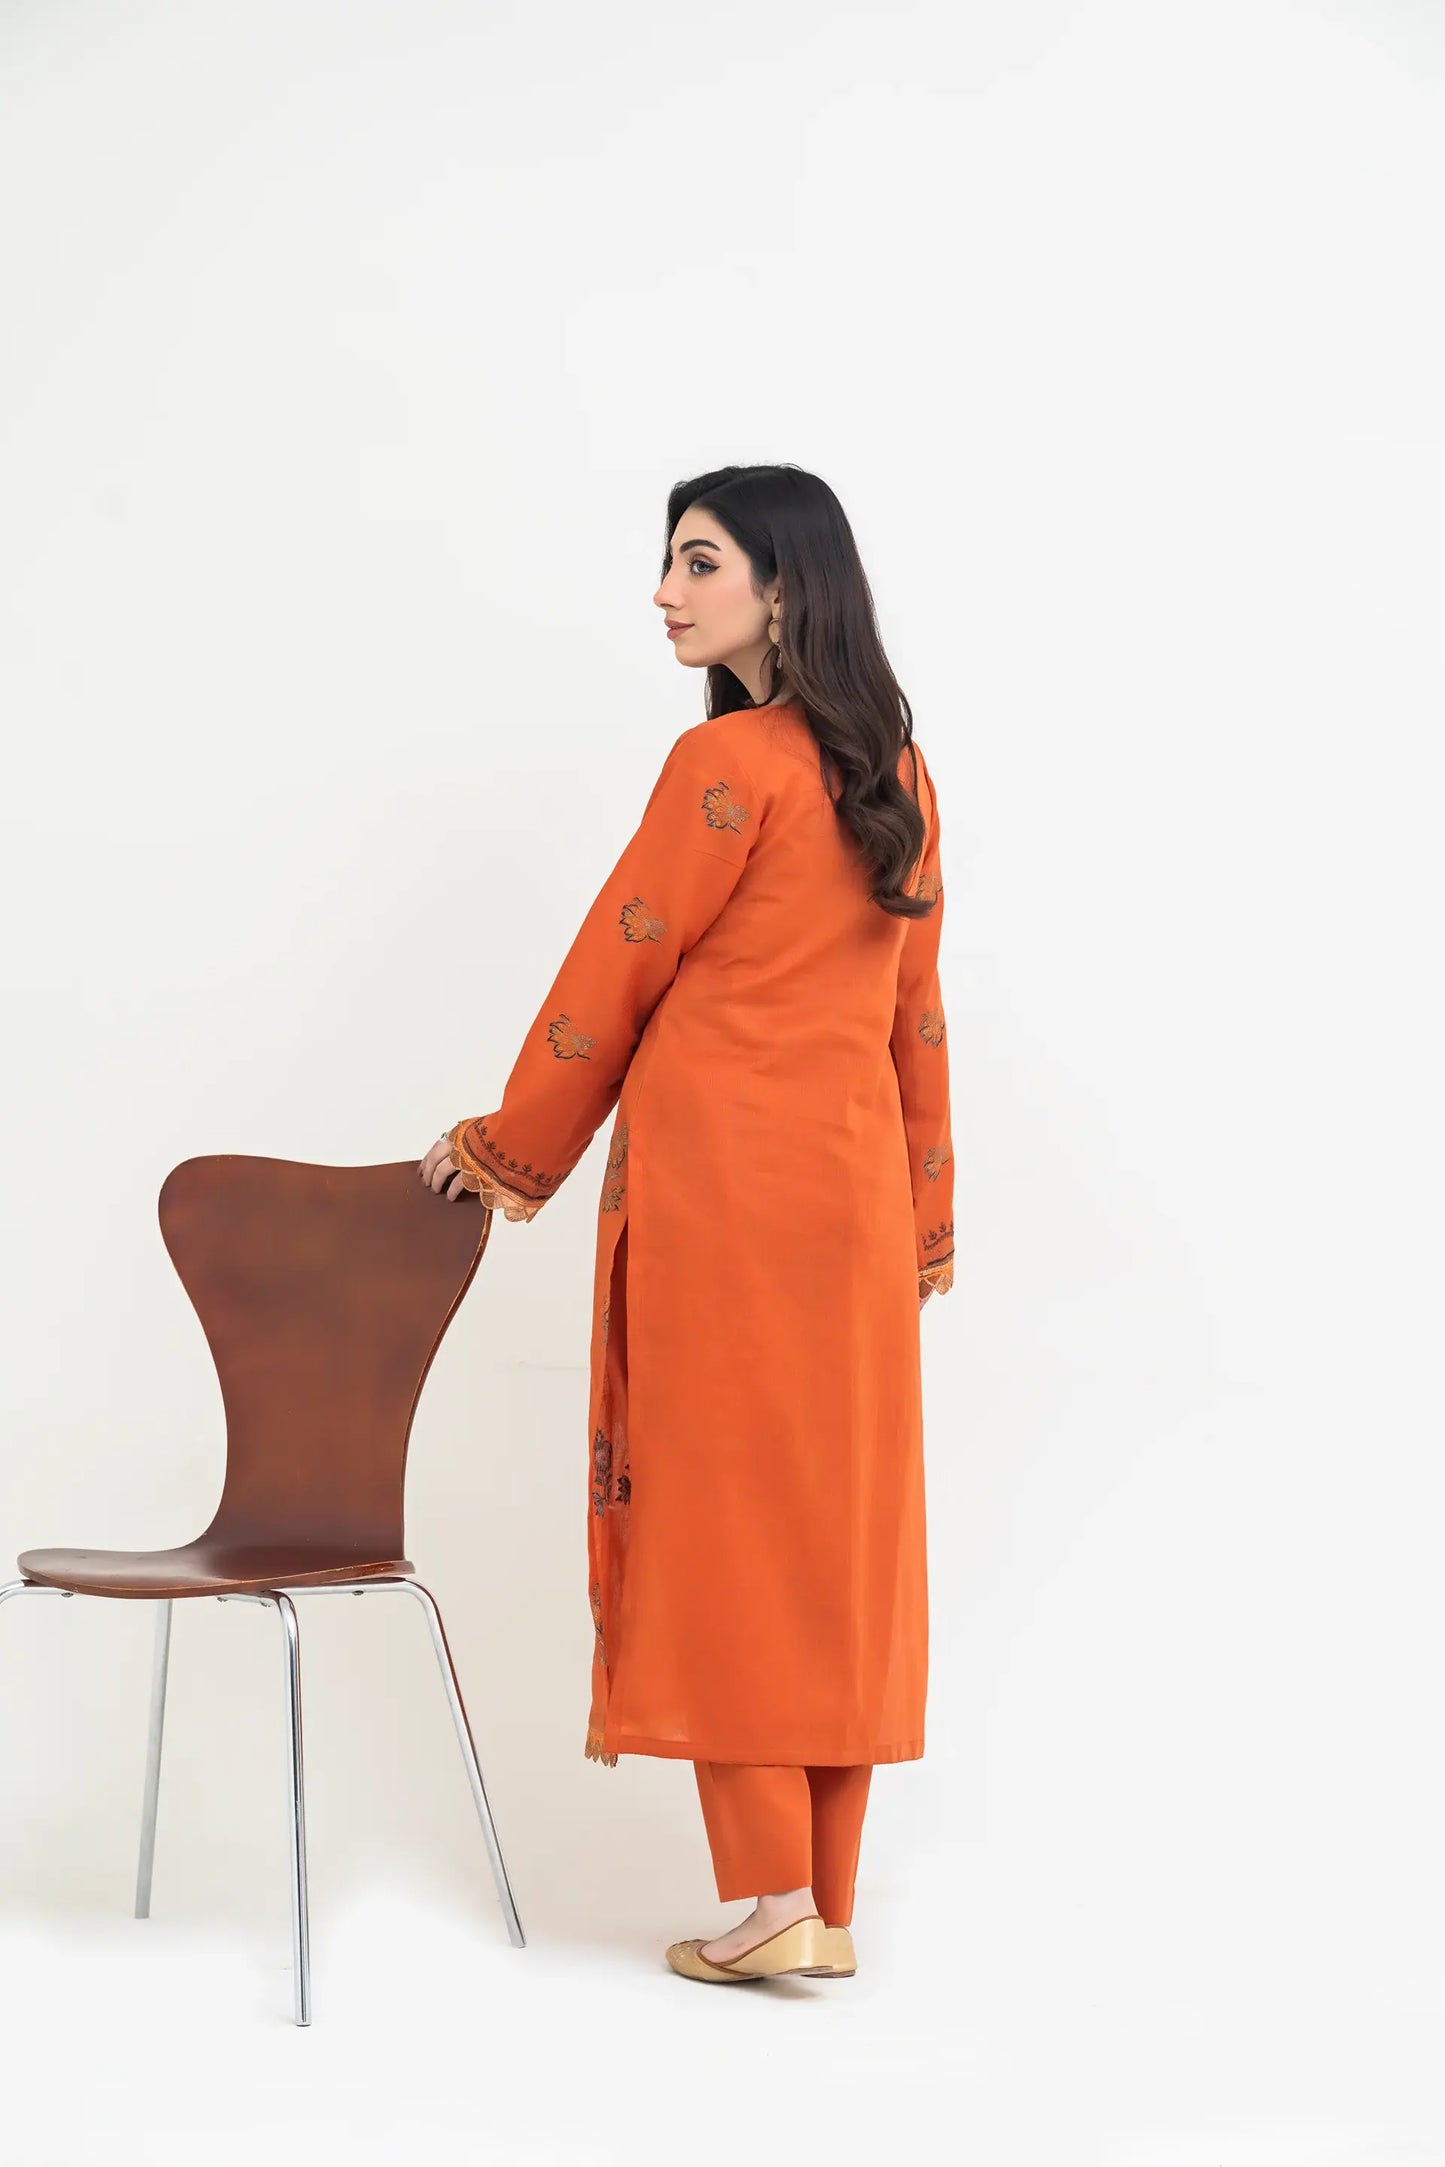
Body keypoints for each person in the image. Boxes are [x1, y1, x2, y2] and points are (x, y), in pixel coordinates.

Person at [418, 463, 953, 1986]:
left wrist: (507, 1149)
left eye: (697, 563)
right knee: (828, 1540)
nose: (665, 592)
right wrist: (925, 1215)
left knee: (727, 1532)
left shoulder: (724, 766)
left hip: (725, 1211)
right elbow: (916, 1021)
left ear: (782, 590)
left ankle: (775, 1897)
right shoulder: (895, 774)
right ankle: (817, 1904)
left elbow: (615, 971)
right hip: (847, 1213)